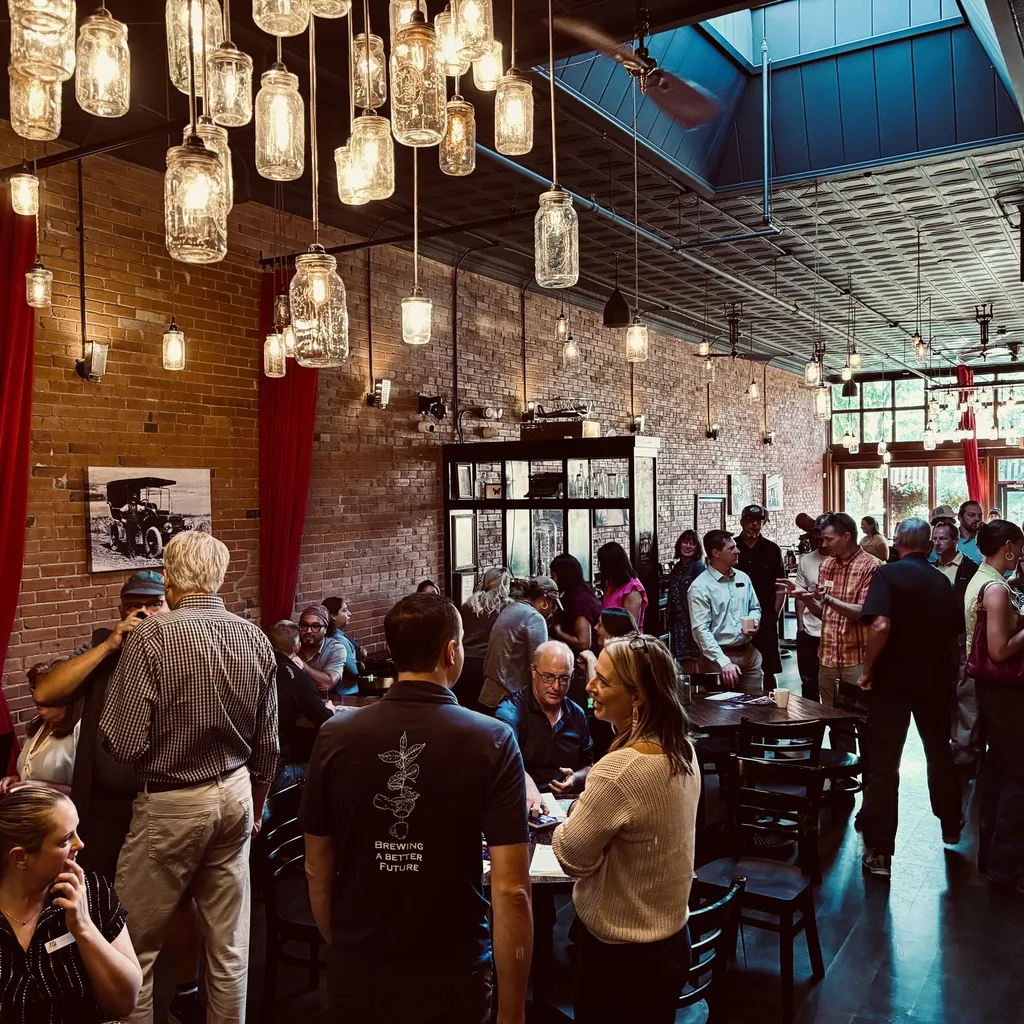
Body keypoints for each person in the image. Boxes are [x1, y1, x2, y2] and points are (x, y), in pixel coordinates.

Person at [300, 593, 533, 1024]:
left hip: (359, 968)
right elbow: (512, 891)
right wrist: (513, 1011)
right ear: (451, 652)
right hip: (453, 970)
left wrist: (344, 943)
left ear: (394, 652)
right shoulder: (493, 740)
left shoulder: (335, 735)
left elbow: (316, 865)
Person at [101, 531, 279, 1024]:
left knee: (132, 949)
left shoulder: (151, 637)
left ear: (169, 578)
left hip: (172, 802)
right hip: (237, 793)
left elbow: (122, 743)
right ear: (219, 576)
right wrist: (257, 806)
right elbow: (269, 746)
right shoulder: (254, 636)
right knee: (231, 947)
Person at [27, 570, 204, 1024]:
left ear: (170, 604)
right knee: (96, 890)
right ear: (121, 608)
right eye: (133, 605)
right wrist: (109, 645)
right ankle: (104, 986)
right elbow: (47, 691)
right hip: (103, 804)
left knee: (177, 898)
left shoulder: (181, 648)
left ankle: (187, 990)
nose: (143, 612)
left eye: (154, 603)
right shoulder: (103, 647)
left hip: (161, 798)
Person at [552, 634, 699, 1024]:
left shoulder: (619, 771)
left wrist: (577, 811)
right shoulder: (683, 748)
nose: (589, 686)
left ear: (637, 696)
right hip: (671, 942)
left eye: (603, 680)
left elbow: (571, 856)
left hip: (619, 959)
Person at [856, 519, 964, 879]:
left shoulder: (887, 575)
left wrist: (867, 670)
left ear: (897, 541)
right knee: (939, 752)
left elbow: (880, 625)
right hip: (935, 681)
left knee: (884, 764)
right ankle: (951, 824)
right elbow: (954, 636)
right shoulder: (942, 580)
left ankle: (880, 853)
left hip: (892, 682)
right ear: (929, 545)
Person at [0, 787, 143, 1024]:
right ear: (20, 857)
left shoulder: (91, 891)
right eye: (65, 839)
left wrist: (83, 927)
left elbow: (125, 1001)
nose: (80, 844)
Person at [782, 512, 881, 756]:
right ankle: (844, 773)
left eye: (828, 539)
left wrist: (828, 599)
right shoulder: (826, 566)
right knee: (837, 724)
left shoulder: (872, 567)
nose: (823, 544)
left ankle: (870, 773)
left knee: (865, 724)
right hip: (827, 658)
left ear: (846, 536)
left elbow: (864, 614)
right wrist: (807, 599)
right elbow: (824, 614)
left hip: (856, 659)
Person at [963, 519, 1024, 891]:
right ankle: (1006, 865)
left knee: (998, 770)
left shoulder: (984, 578)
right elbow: (999, 650)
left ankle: (992, 858)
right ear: (1009, 547)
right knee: (1016, 776)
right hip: (1003, 692)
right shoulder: (996, 589)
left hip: (989, 690)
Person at [496, 641, 593, 817]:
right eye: (548, 677)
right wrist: (527, 784)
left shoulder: (577, 714)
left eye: (564, 678)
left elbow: (588, 766)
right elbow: (502, 755)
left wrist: (575, 778)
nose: (556, 687)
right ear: (533, 671)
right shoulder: (511, 710)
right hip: (521, 802)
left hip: (565, 804)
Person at [931, 520, 981, 770]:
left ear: (955, 541)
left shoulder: (970, 569)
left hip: (960, 637)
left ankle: (965, 748)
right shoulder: (932, 568)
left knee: (964, 692)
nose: (937, 543)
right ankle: (947, 743)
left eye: (942, 538)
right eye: (934, 538)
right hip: (937, 639)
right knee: (943, 692)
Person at [686, 530, 762, 692]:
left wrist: (754, 621)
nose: (737, 551)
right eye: (731, 548)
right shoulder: (700, 587)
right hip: (717, 660)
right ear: (716, 553)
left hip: (749, 655)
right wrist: (723, 662)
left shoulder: (743, 578)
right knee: (721, 707)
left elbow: (755, 608)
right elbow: (700, 629)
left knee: (755, 703)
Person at [479, 576, 561, 712]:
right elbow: (540, 664)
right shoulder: (534, 618)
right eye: (553, 604)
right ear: (545, 599)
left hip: (491, 694)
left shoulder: (510, 608)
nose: (553, 610)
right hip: (511, 699)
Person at [269, 619, 333, 787]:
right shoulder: (294, 675)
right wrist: (329, 709)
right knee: (329, 770)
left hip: (244, 769)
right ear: (297, 648)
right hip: (277, 772)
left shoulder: (254, 667)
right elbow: (325, 719)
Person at [0, 662, 82, 795]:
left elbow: (90, 793)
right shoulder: (37, 726)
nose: (37, 698)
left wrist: (40, 786)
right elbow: (30, 777)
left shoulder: (80, 731)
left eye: (46, 692)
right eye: (36, 690)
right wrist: (17, 780)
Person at [735, 505, 786, 692]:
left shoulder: (772, 549)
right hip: (736, 615)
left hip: (765, 615)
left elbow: (780, 586)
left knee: (769, 667)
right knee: (737, 664)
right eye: (750, 520)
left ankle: (772, 704)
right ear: (742, 522)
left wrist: (774, 614)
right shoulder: (732, 548)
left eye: (758, 521)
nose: (754, 524)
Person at [549, 553, 602, 706]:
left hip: (583, 667)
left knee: (584, 705)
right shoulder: (580, 594)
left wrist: (558, 632)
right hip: (582, 666)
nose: (553, 581)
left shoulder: (579, 601)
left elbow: (583, 642)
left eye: (553, 576)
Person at [459, 567, 513, 710]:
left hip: (463, 661)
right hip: (486, 664)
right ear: (503, 585)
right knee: (482, 711)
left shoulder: (469, 604)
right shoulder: (506, 607)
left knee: (465, 709)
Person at [794, 515, 829, 701]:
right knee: (809, 683)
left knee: (832, 685)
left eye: (824, 533)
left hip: (832, 632)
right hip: (809, 630)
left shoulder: (839, 560)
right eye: (817, 532)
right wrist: (800, 626)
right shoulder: (806, 560)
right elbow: (800, 594)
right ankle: (810, 719)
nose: (820, 537)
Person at [666, 530, 706, 675]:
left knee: (694, 663)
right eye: (685, 542)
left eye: (692, 543)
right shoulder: (677, 568)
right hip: (678, 624)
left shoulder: (698, 567)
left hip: (691, 624)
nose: (688, 546)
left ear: (697, 548)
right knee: (682, 663)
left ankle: (696, 688)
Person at [299, 603, 356, 696]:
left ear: (325, 629)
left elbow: (327, 683)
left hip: (325, 700)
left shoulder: (335, 649)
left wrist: (301, 665)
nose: (308, 631)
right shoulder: (292, 644)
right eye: (304, 625)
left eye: (316, 626)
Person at [597, 542, 647, 632]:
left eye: (602, 564)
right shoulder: (610, 584)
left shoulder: (632, 589)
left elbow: (631, 628)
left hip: (623, 640)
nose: (600, 568)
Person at [321, 595, 366, 674]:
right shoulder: (340, 641)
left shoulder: (332, 633)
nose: (349, 613)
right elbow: (355, 671)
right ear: (333, 616)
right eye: (344, 611)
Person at [956, 500, 985, 564]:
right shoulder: (949, 539)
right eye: (972, 515)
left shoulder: (987, 540)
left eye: (980, 515)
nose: (977, 519)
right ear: (960, 517)